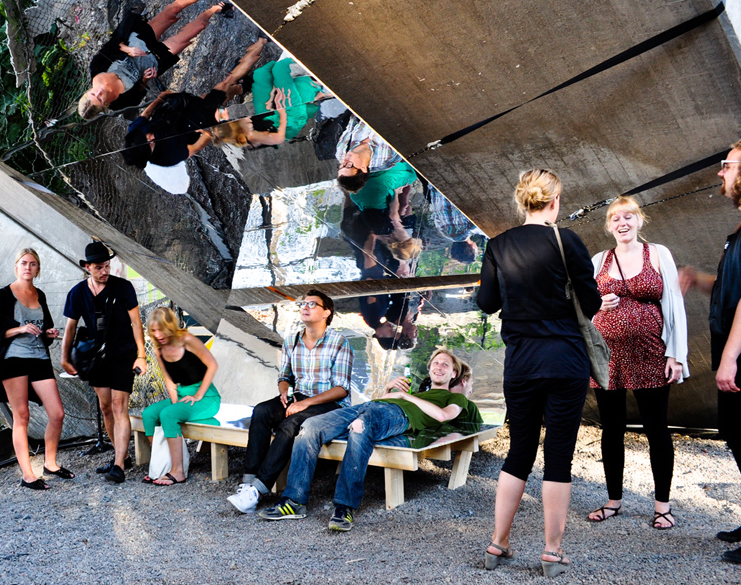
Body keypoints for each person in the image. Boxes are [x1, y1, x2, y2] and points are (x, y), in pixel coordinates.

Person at [476, 169, 601, 577]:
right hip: (566, 360)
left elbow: (487, 302)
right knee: (559, 455)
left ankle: (498, 544)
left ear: (521, 201)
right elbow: (592, 302)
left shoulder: (497, 245)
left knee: (519, 451)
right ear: (554, 201)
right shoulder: (568, 241)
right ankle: (551, 551)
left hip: (522, 362)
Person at [256, 348, 479, 531]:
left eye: (445, 365)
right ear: (429, 369)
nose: (439, 367)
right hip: (372, 407)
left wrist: (403, 395)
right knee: (309, 426)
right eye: (436, 363)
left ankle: (344, 507)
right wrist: (388, 388)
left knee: (360, 427)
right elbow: (378, 404)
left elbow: (443, 416)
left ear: (453, 375)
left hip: (399, 416)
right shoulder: (418, 393)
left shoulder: (454, 397)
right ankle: (294, 501)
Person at [679, 136, 741, 564]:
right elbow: (734, 286)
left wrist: (730, 357)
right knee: (740, 436)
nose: (720, 172)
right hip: (737, 344)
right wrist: (698, 279)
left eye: (728, 165)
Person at [586, 196, 689, 529]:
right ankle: (614, 500)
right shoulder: (599, 259)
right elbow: (581, 307)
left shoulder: (658, 254)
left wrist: (676, 354)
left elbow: (674, 303)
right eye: (615, 218)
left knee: (656, 428)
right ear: (609, 225)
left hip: (650, 353)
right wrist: (599, 305)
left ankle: (662, 506)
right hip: (607, 357)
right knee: (611, 428)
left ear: (640, 221)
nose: (622, 223)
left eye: (628, 217)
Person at [226, 289, 353, 513]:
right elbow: (285, 376)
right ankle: (247, 481)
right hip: (300, 397)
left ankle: (257, 490)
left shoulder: (339, 342)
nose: (305, 307)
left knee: (290, 423)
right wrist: (284, 391)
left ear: (326, 313)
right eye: (303, 304)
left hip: (330, 404)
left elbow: (341, 390)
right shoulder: (292, 340)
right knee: (263, 411)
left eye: (312, 304)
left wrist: (306, 403)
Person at [0, 248, 72, 489]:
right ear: (16, 267)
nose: (28, 267)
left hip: (39, 357)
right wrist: (21, 329)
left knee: (57, 413)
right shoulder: (5, 294)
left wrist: (49, 333)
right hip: (14, 358)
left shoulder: (39, 294)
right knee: (22, 416)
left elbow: (46, 329)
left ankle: (50, 463)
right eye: (23, 263)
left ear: (37, 268)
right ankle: (27, 475)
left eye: (32, 264)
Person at [60, 242, 148, 483]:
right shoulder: (77, 293)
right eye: (99, 267)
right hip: (96, 356)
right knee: (106, 407)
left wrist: (141, 354)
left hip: (122, 352)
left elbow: (136, 323)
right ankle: (123, 455)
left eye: (107, 266)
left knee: (120, 406)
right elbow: (70, 328)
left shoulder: (123, 288)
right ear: (88, 267)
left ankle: (118, 465)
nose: (105, 271)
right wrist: (64, 357)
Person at [78, 0, 225, 119]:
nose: (99, 92)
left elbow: (114, 44)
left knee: (171, 12)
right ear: (105, 105)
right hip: (153, 62)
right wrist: (146, 79)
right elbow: (139, 93)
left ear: (87, 92)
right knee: (193, 31)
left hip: (137, 42)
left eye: (93, 93)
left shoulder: (96, 68)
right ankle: (212, 10)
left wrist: (128, 49)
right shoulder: (119, 103)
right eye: (100, 98)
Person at [121, 38, 269, 168]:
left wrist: (161, 97)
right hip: (197, 124)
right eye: (149, 143)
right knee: (224, 86)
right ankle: (261, 44)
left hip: (179, 110)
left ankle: (241, 86)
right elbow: (195, 148)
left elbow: (146, 113)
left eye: (145, 137)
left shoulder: (134, 131)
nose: (150, 137)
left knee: (218, 94)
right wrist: (209, 132)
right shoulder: (166, 158)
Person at [140, 307, 220, 485]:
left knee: (168, 414)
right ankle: (161, 464)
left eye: (161, 329)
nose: (158, 334)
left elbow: (212, 364)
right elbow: (169, 380)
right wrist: (174, 403)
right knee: (149, 414)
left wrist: (199, 395)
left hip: (206, 398)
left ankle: (178, 471)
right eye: (154, 330)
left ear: (170, 326)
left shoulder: (187, 339)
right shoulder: (159, 349)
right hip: (182, 395)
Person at [335, 117, 403, 192]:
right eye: (348, 165)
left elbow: (351, 122)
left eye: (340, 166)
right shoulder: (386, 157)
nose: (344, 161)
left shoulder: (341, 153)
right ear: (363, 168)